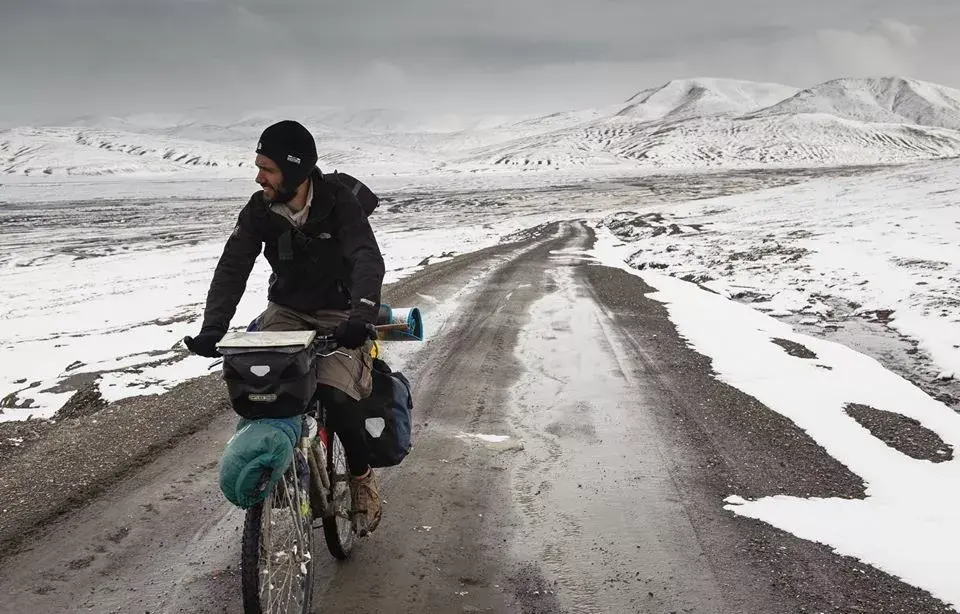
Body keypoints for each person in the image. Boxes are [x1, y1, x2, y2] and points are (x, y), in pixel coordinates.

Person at [184, 119, 385, 536]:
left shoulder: (339, 203)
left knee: (335, 394)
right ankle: (284, 470)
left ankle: (363, 479)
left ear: (295, 170)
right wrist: (213, 326)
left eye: (268, 168)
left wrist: (361, 316)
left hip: (339, 313)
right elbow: (233, 266)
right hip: (287, 312)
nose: (259, 177)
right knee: (265, 388)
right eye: (258, 166)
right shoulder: (259, 209)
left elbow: (367, 257)